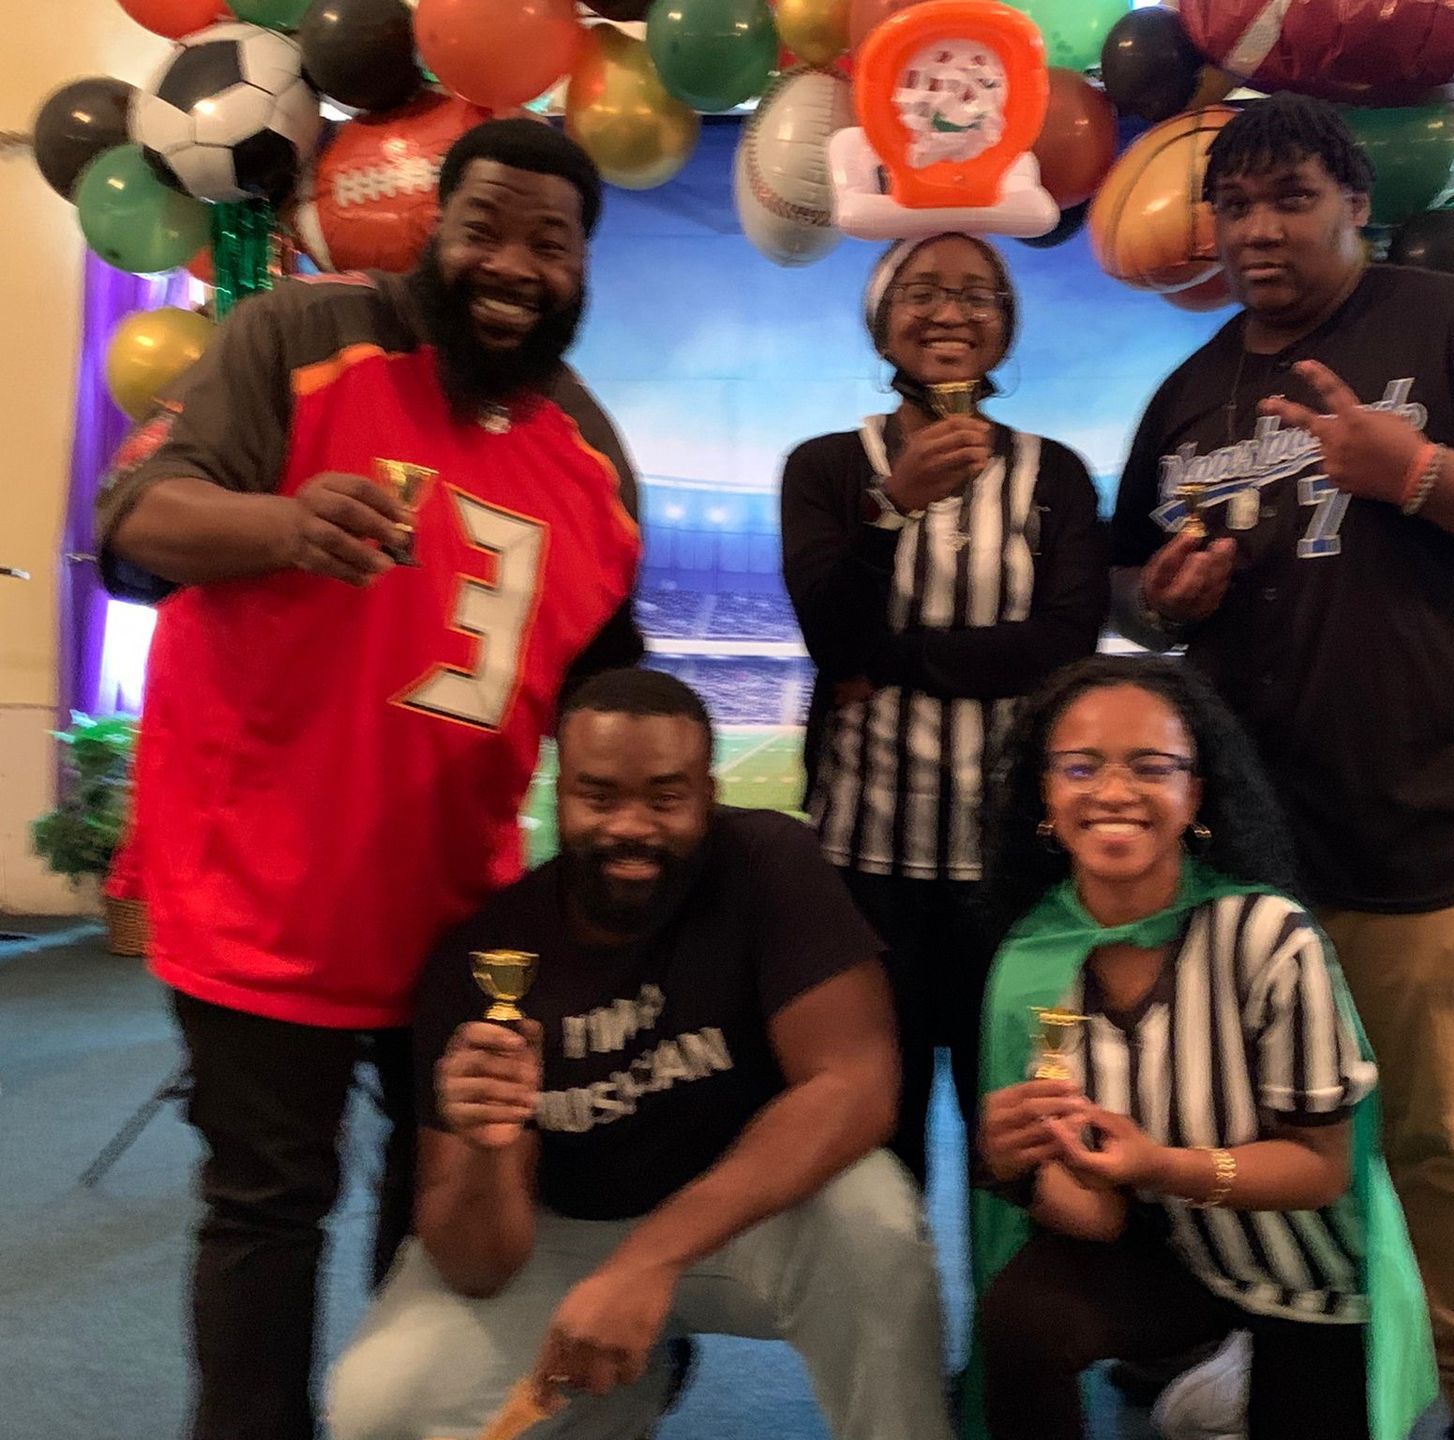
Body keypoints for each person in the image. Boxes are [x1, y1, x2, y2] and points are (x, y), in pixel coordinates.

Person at [94, 119, 646, 1440]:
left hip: (456, 925)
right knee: (268, 1211)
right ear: (433, 234)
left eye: (549, 242)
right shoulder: (301, 337)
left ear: (581, 269)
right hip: (257, 892)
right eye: (486, 227)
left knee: (435, 1214)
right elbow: (131, 524)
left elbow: (610, 709)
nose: (512, 263)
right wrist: (283, 523)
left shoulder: (595, 461)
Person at [1109, 96, 1454, 1439]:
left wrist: (1418, 474)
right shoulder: (1191, 392)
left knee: (1451, 1150)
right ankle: (1292, 1359)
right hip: (1257, 853)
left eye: (1291, 197)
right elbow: (1131, 584)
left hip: (1436, 831)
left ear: (1355, 204)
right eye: (1236, 206)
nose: (1259, 230)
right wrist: (1164, 602)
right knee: (1270, 1130)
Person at [325, 669, 953, 1440]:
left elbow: (855, 1084)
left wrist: (647, 1261)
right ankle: (620, 1389)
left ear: (708, 793)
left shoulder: (766, 860)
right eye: (599, 796)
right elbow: (476, 1265)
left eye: (665, 797)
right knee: (378, 1409)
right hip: (570, 1232)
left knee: (872, 1220)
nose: (632, 826)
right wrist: (488, 1154)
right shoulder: (484, 960)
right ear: (560, 792)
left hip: (750, 1217)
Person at [969, 655, 1434, 1440]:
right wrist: (1016, 1170)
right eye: (1081, 768)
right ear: (1046, 797)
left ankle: (1233, 1372)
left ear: (1196, 796)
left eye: (1152, 768)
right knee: (1023, 1321)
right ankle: (1207, 1366)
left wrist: (1161, 1166)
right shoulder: (1034, 959)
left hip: (1307, 1273)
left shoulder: (1265, 936)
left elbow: (1322, 1168)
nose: (1114, 793)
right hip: (1173, 1252)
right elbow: (1099, 1218)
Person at [781, 232, 1108, 1185]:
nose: (952, 312)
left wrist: (892, 660)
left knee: (1011, 1131)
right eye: (923, 291)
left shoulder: (1055, 477)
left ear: (1006, 326)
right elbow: (829, 634)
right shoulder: (828, 469)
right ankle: (888, 1336)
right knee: (873, 1136)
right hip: (861, 866)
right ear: (882, 322)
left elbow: (1062, 651)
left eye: (978, 294)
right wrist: (889, 510)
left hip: (1005, 871)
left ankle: (1004, 1333)